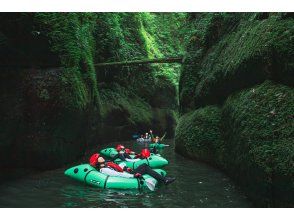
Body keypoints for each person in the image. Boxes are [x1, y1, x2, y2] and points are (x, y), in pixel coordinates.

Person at [89, 153, 176, 185]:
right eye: (99, 157)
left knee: (144, 165)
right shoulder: (104, 170)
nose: (101, 157)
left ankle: (164, 180)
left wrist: (127, 168)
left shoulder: (107, 164)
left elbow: (119, 167)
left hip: (127, 172)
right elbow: (118, 174)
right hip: (127, 176)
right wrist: (133, 175)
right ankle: (164, 180)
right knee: (145, 166)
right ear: (97, 162)